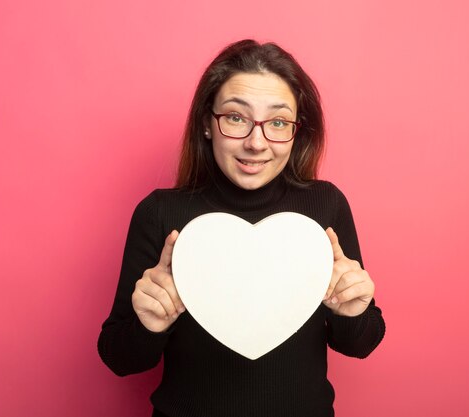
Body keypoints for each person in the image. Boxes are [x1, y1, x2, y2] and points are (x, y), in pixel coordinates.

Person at [98, 39, 386, 417]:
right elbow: (119, 358)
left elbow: (360, 344)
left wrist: (353, 311)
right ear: (207, 123)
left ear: (297, 131)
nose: (256, 143)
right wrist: (150, 324)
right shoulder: (159, 213)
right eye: (236, 117)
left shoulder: (325, 206)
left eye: (278, 122)